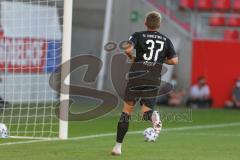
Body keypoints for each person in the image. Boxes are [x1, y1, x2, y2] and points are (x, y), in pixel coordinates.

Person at [111, 11, 178, 156]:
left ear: (145, 23)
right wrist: (160, 60)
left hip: (136, 76)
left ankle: (117, 147)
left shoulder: (138, 35)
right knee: (146, 114)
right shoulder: (166, 40)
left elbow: (127, 49)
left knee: (126, 112)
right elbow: (174, 61)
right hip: (153, 78)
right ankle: (153, 115)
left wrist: (132, 57)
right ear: (159, 25)